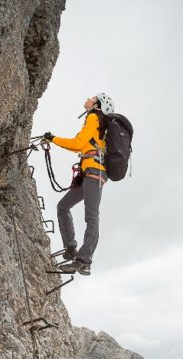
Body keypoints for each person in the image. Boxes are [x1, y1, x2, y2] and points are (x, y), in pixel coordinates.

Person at [43, 93, 115, 276]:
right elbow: (81, 146)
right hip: (90, 173)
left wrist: (53, 139)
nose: (88, 98)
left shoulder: (93, 117)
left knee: (91, 216)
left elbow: (77, 144)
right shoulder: (95, 121)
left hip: (94, 173)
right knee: (63, 206)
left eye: (93, 97)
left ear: (97, 105)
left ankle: (84, 260)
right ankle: (71, 248)